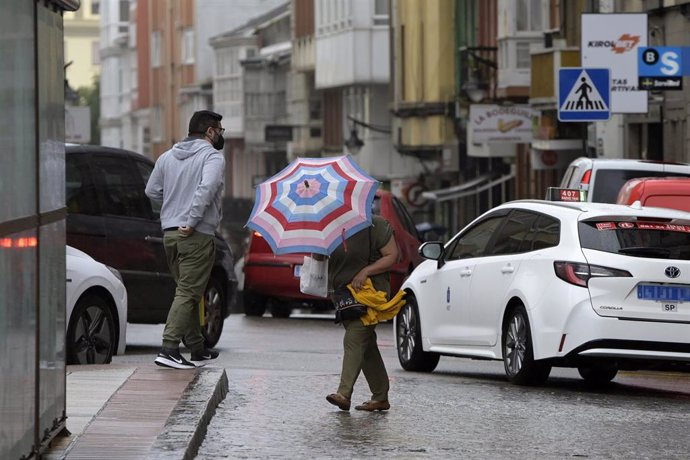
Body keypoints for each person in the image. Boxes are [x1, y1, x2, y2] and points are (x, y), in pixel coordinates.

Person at [145, 110, 226, 369]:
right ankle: (169, 348)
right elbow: (207, 188)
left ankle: (197, 347)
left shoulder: (167, 157)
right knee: (189, 292)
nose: (222, 135)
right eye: (220, 131)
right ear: (210, 132)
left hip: (170, 234)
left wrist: (173, 211)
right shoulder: (212, 157)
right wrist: (190, 221)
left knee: (189, 291)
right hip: (195, 234)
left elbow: (152, 190)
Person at [325, 214, 399, 411]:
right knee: (366, 346)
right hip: (344, 295)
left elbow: (392, 255)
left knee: (355, 339)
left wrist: (366, 271)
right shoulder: (329, 227)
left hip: (370, 292)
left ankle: (343, 393)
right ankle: (380, 396)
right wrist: (318, 252)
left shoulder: (375, 225)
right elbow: (325, 258)